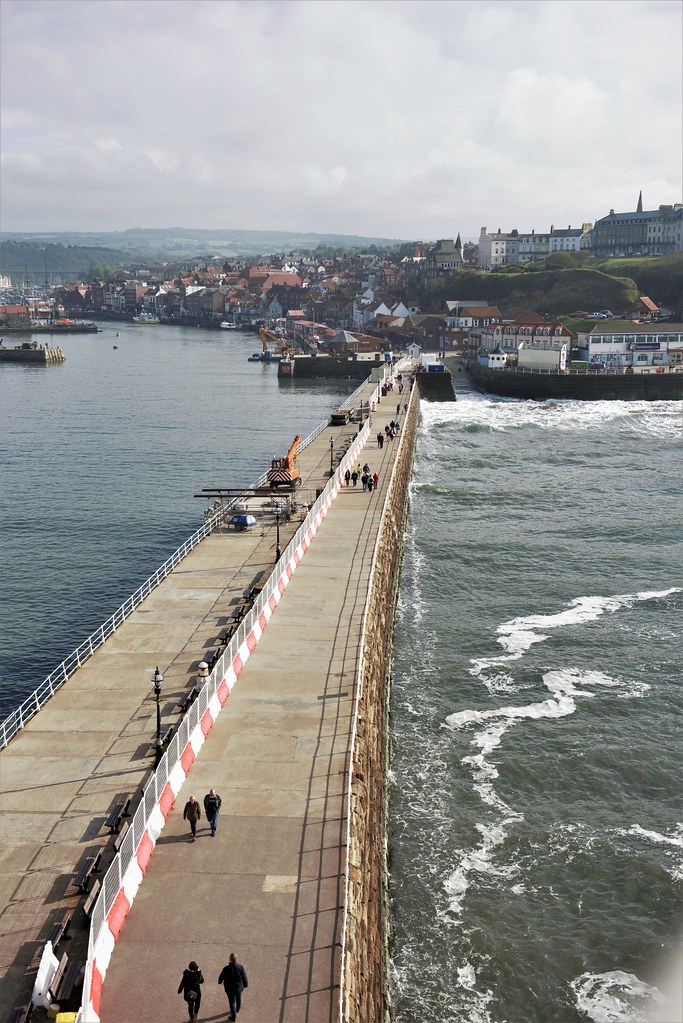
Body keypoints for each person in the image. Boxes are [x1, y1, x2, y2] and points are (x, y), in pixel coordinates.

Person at [218, 952, 248, 1022]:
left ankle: (233, 1017)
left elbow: (222, 976)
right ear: (236, 959)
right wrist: (245, 984)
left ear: (230, 959)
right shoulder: (240, 967)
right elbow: (244, 977)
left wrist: (220, 981)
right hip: (238, 987)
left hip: (230, 988)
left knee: (232, 1002)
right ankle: (237, 1008)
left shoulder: (226, 968)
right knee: (238, 997)